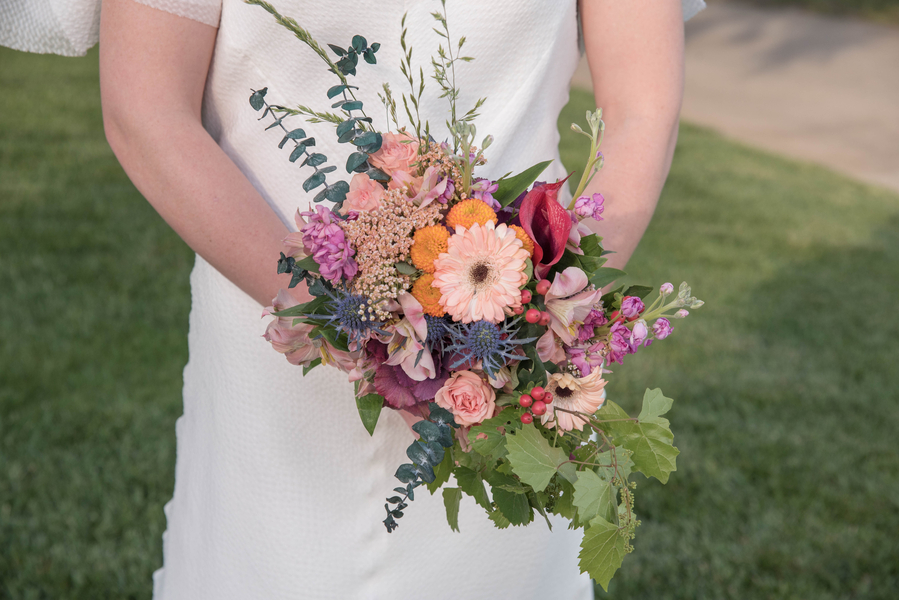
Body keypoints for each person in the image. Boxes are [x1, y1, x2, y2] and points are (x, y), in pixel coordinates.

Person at [3, 0, 704, 597]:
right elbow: (146, 108)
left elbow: (640, 108)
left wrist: (551, 301)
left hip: (505, 356)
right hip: (271, 340)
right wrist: (358, 326)